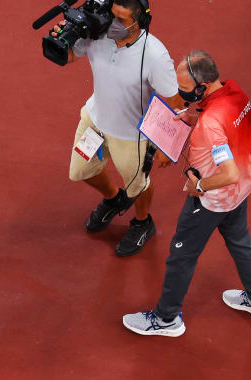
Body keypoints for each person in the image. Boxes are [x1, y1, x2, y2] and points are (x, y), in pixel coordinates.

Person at [122, 50, 251, 337]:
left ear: (202, 86)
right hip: (241, 189)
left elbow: (226, 170)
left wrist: (199, 186)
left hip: (212, 199)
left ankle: (166, 319)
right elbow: (225, 130)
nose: (180, 95)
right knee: (241, 241)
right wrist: (200, 114)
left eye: (184, 90)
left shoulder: (210, 124)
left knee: (182, 257)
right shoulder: (235, 94)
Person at [52, 0, 184, 256]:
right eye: (112, 16)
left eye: (122, 20)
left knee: (139, 185)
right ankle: (114, 199)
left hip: (130, 136)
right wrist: (61, 39)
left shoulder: (155, 56)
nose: (114, 24)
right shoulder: (97, 33)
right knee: (80, 171)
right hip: (94, 120)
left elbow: (176, 105)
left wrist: (168, 147)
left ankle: (142, 222)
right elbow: (69, 57)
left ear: (140, 22)